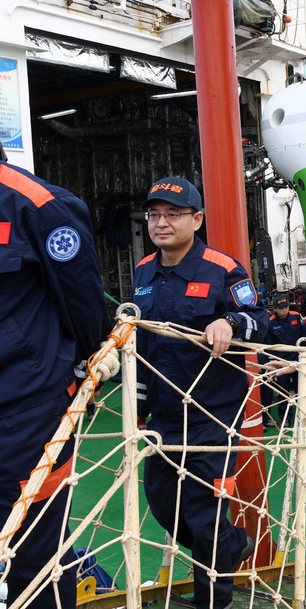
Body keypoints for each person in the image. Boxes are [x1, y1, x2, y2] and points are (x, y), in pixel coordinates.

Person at [132, 176, 268, 608]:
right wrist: (137, 405)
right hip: (164, 413)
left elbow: (260, 321)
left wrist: (230, 323)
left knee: (203, 511)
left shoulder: (223, 269)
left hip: (211, 413)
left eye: (173, 215)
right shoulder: (142, 272)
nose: (162, 223)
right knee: (161, 502)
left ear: (197, 219)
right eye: (155, 215)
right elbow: (141, 345)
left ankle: (215, 598)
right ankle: (232, 546)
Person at [0, 155, 109, 609]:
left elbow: (83, 302)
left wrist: (90, 362)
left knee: (33, 554)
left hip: (28, 409)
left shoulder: (38, 206)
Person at [264, 292, 303, 426]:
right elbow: (269, 344)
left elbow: (303, 337)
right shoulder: (270, 322)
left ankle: (302, 417)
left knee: (301, 391)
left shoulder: (296, 317)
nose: (284, 310)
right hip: (281, 363)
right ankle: (285, 419)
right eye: (281, 308)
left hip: (298, 361)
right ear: (274, 309)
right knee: (283, 393)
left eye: (286, 307)